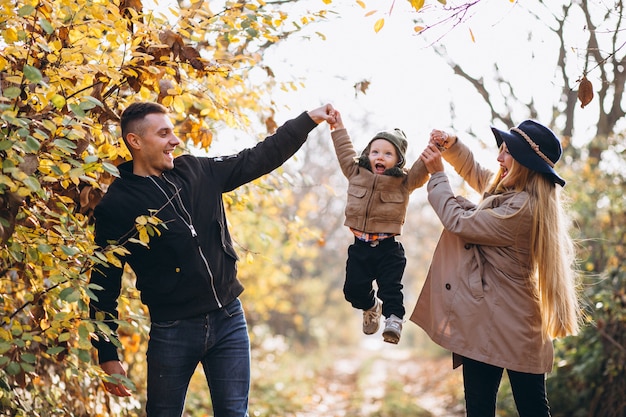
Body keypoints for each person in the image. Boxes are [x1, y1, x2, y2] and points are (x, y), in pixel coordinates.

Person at [88, 101, 336, 416]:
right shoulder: (116, 206)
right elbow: (103, 285)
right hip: (173, 329)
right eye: (163, 134)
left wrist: (307, 119)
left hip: (229, 318)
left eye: (173, 132)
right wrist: (107, 353)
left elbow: (259, 156)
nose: (174, 141)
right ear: (135, 141)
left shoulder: (198, 171)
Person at [411, 121, 581, 416]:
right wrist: (453, 146)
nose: (500, 159)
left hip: (511, 324)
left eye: (507, 153)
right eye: (500, 151)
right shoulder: (515, 197)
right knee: (485, 407)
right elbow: (479, 175)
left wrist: (439, 175)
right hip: (487, 319)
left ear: (525, 164)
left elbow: (459, 222)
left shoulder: (521, 209)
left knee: (529, 408)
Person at [329, 110, 429, 344]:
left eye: (387, 153)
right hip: (360, 248)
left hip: (388, 249)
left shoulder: (404, 181)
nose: (379, 157)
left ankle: (393, 321)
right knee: (353, 291)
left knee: (391, 289)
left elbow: (421, 170)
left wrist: (434, 147)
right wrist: (338, 126)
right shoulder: (355, 172)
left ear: (398, 161)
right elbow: (344, 151)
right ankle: (371, 307)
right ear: (367, 154)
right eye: (375, 152)